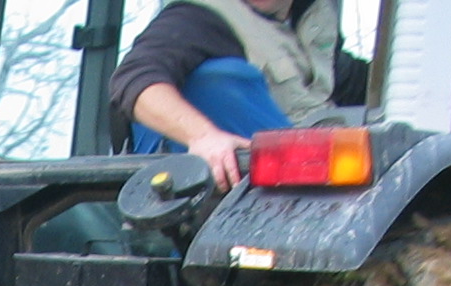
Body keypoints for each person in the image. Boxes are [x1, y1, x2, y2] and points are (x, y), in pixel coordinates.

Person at [110, 0, 370, 189]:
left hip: (318, 194)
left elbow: (355, 85)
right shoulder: (200, 17)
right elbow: (134, 80)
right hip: (247, 204)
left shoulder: (308, 28)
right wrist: (203, 136)